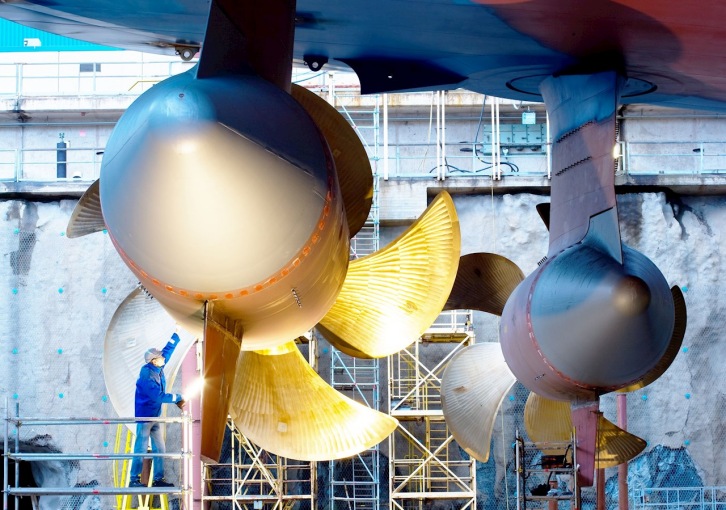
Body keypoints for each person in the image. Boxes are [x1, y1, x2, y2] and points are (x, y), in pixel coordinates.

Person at [128, 331, 186, 488]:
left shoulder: (157, 367)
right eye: (160, 357)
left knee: (160, 448)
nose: (163, 358)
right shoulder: (147, 376)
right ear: (153, 361)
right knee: (141, 448)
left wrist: (176, 335)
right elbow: (158, 396)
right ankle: (134, 480)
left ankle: (158, 479)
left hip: (154, 417)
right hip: (145, 418)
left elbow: (167, 352)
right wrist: (177, 397)